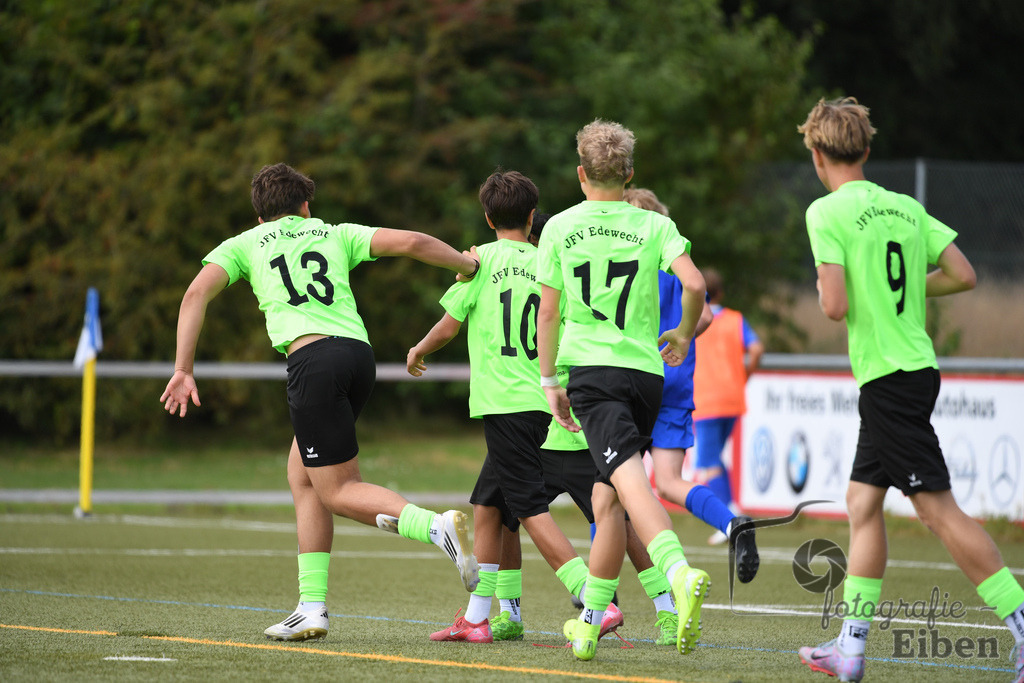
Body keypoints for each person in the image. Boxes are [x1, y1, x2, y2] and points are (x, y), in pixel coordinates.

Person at [160, 162, 482, 642]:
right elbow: (413, 243)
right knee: (303, 475)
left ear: (260, 214)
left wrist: (183, 368)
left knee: (337, 489)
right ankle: (311, 608)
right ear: (306, 205)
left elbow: (194, 295)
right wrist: (466, 264)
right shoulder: (335, 233)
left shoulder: (245, 243)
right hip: (357, 358)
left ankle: (435, 527)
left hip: (314, 363)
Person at [794, 97, 1024, 683]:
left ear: (818, 156)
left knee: (937, 512)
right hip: (912, 369)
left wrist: (843, 291)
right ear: (867, 151)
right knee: (862, 503)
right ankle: (850, 647)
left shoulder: (826, 212)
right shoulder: (904, 206)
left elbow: (834, 304)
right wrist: (901, 291)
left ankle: (1021, 624)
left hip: (889, 378)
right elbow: (964, 274)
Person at [406, 171, 615, 643]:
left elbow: (448, 325)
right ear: (531, 216)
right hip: (538, 398)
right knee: (487, 506)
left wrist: (418, 350)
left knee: (529, 509)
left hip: (502, 402)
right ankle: (481, 618)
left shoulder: (478, 263)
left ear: (486, 216)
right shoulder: (549, 261)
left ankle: (593, 596)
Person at [537, 119, 711, 660]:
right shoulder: (654, 226)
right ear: (629, 173)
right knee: (605, 498)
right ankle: (588, 624)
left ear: (581, 173)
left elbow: (548, 310)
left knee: (630, 485)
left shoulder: (560, 227)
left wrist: (550, 382)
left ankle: (677, 573)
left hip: (592, 373)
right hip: (644, 375)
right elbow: (697, 284)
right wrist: (682, 332)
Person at [623, 188, 759, 580]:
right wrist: (680, 336)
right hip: (676, 385)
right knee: (669, 482)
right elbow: (707, 317)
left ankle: (603, 594)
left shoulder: (631, 262)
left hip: (634, 381)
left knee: (611, 488)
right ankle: (733, 524)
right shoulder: (674, 264)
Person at [691, 266, 765, 545]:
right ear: (721, 292)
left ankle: (731, 516)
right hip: (733, 399)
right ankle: (733, 507)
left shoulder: (695, 318)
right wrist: (744, 376)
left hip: (707, 400)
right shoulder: (735, 319)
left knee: (708, 463)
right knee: (715, 459)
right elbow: (756, 348)